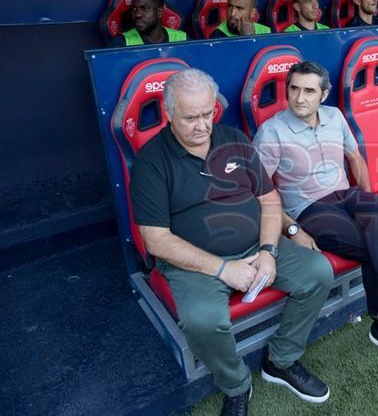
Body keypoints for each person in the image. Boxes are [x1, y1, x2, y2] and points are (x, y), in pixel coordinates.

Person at [130, 69, 332, 415]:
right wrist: (224, 269)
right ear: (168, 113)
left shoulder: (234, 139)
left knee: (318, 271)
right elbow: (156, 240)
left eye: (207, 114)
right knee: (203, 320)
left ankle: (281, 360)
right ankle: (237, 384)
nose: (201, 125)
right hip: (195, 264)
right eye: (190, 117)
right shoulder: (152, 160)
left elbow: (269, 201)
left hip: (257, 245)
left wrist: (269, 252)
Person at [253, 61, 378, 369]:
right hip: (310, 208)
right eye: (293, 89)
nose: (299, 97)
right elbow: (259, 194)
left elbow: (354, 156)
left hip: (347, 195)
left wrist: (368, 196)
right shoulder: (270, 132)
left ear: (323, 94)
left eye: (309, 91)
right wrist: (294, 230)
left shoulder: (335, 116)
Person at [110, 0, 187, 46]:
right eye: (134, 9)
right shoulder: (122, 43)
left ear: (159, 12)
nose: (138, 14)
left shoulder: (182, 39)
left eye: (144, 8)